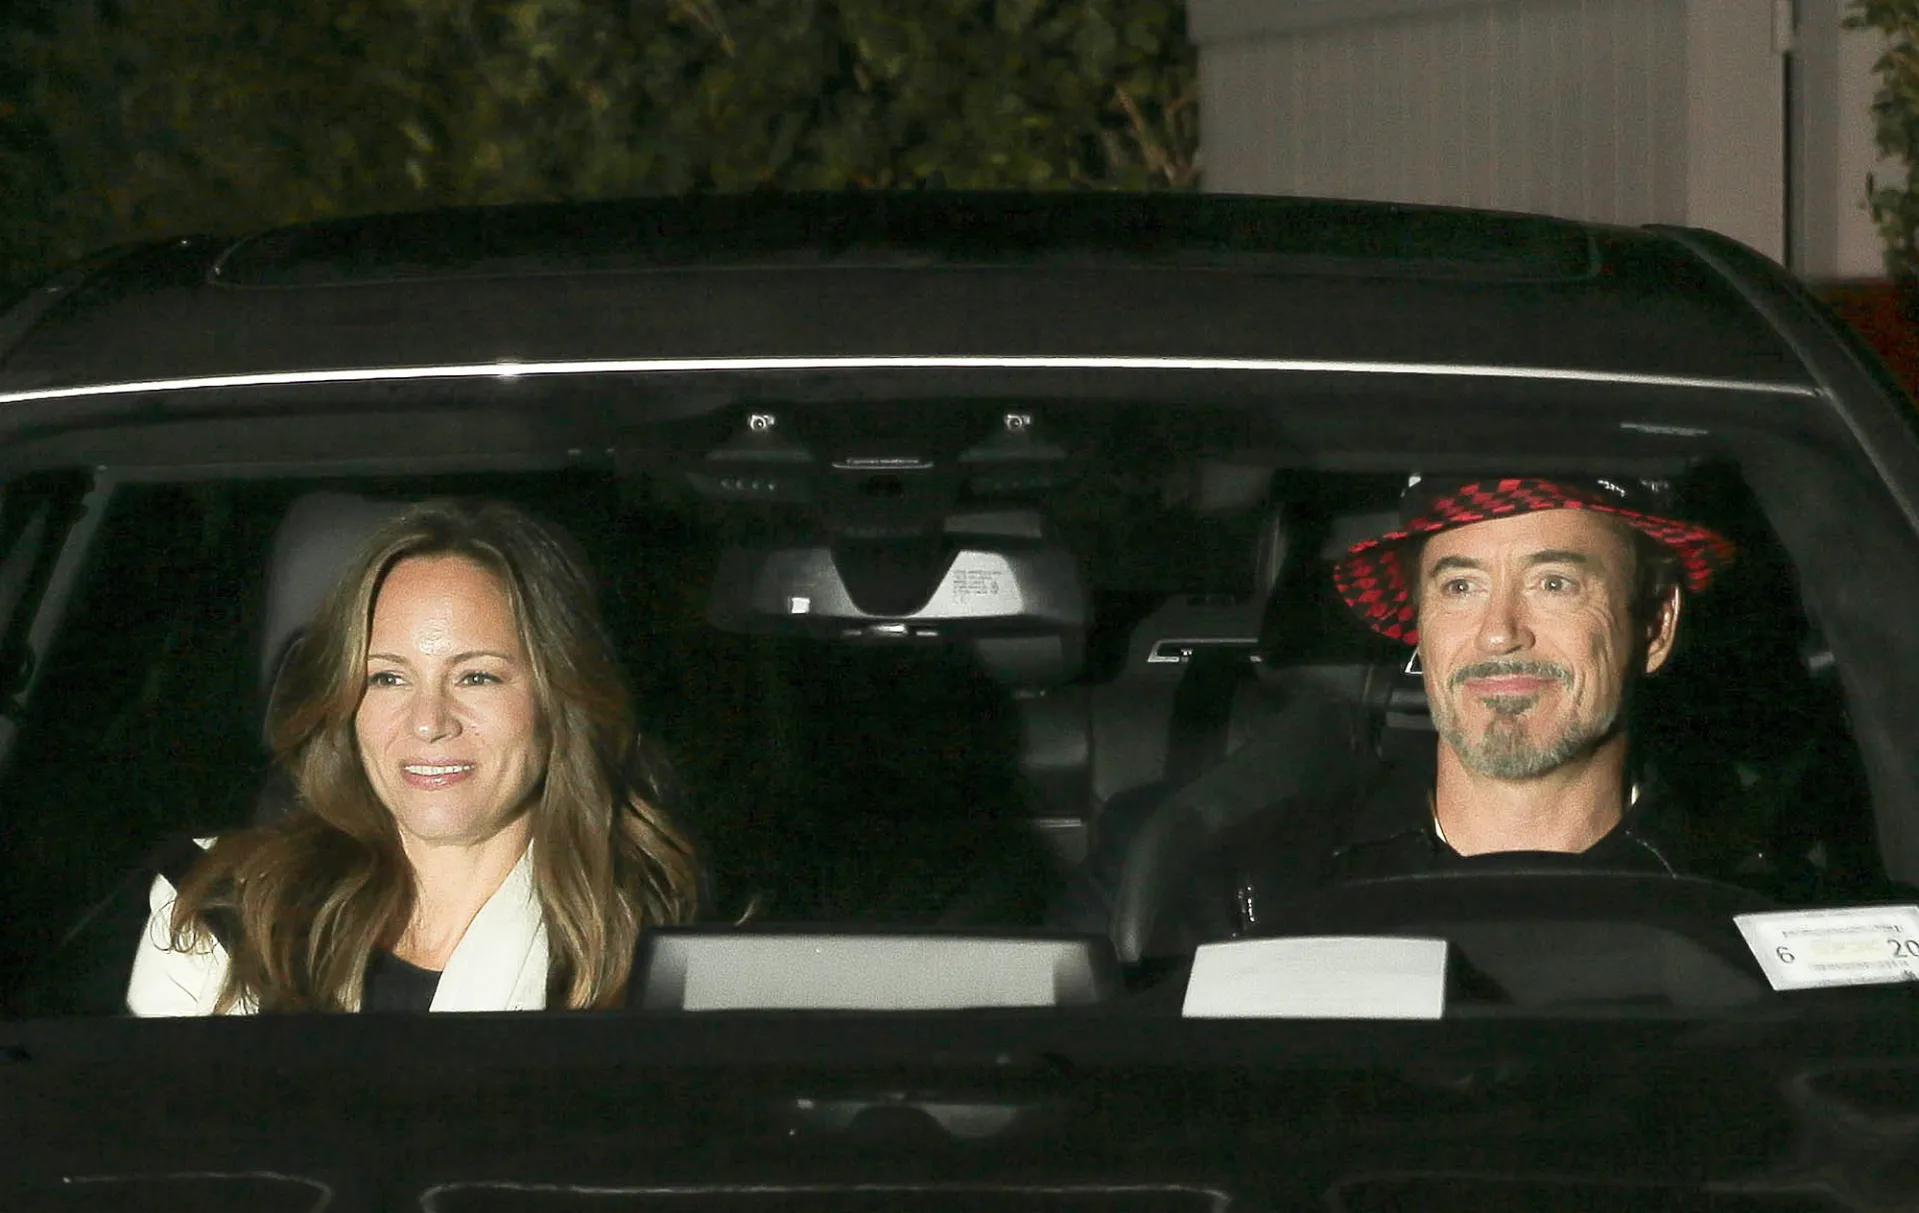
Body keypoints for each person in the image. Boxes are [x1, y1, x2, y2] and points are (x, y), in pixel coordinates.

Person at [127, 499, 700, 1014]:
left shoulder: (671, 935)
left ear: (558, 698)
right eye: (388, 678)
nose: (428, 722)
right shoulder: (218, 908)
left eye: (476, 677)